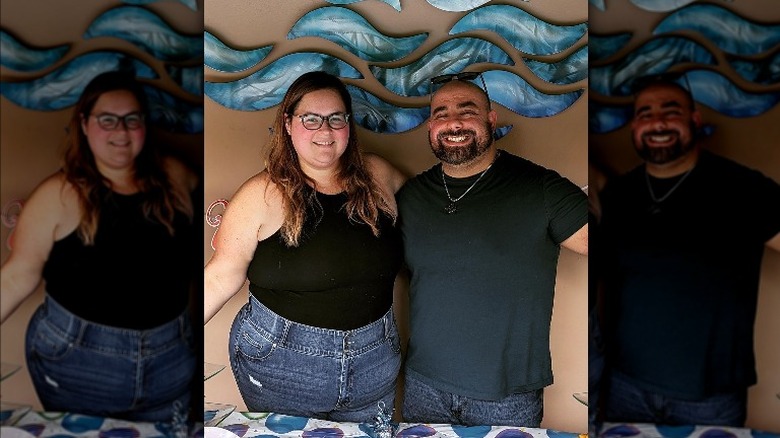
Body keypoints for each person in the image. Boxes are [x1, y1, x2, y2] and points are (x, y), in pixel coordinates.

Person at [0, 71, 200, 428]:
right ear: (84, 124)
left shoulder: (176, 178)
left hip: (169, 360)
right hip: (79, 362)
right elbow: (16, 277)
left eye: (131, 119)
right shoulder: (59, 195)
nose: (120, 131)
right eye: (107, 119)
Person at [203, 71, 407, 421]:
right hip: (282, 363)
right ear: (288, 123)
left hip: (375, 361)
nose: (324, 131)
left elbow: (432, 219)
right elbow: (220, 278)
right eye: (310, 119)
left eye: (335, 119)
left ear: (349, 124)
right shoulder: (261, 194)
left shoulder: (379, 176)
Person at [396, 73, 589, 427]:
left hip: (507, 394)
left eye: (467, 110)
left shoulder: (540, 189)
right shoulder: (411, 197)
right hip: (424, 385)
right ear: (430, 126)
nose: (453, 121)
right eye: (440, 113)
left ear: (491, 119)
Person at [594, 74, 780, 427]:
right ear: (634, 127)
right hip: (625, 385)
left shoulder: (743, 188)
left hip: (709, 394)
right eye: (645, 113)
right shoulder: (620, 193)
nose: (658, 121)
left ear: (694, 120)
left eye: (671, 110)